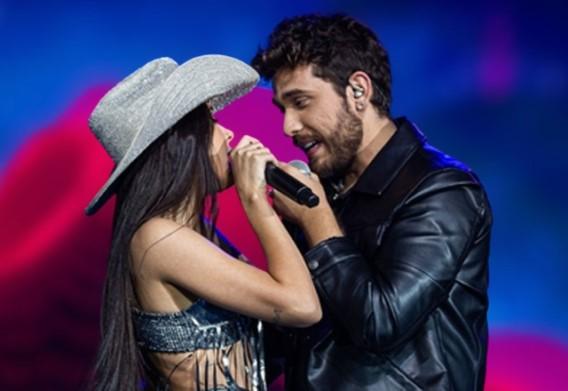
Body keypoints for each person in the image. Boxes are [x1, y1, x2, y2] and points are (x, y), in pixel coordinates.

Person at [251, 14, 493, 391]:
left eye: (301, 102)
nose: (289, 127)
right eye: (283, 109)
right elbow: (287, 330)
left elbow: (381, 320)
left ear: (358, 91)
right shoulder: (324, 191)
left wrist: (317, 223)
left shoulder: (443, 189)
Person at [85, 55, 321, 391]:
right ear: (180, 143)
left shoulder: (198, 233)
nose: (228, 134)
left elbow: (280, 329)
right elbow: (302, 306)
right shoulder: (157, 239)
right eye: (212, 122)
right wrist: (254, 200)